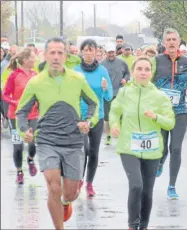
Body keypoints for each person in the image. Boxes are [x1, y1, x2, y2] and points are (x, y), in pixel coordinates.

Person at [16, 37, 99, 228]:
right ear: (45, 55)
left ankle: (65, 202)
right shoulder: (36, 82)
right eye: (52, 52)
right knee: (53, 186)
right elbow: (22, 111)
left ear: (66, 56)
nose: (56, 56)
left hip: (72, 141)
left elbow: (93, 103)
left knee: (70, 192)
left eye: (60, 52)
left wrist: (88, 121)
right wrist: (23, 131)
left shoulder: (77, 79)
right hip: (47, 140)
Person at [109, 56, 175, 230]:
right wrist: (115, 124)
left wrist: (156, 117)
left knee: (147, 191)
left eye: (147, 69)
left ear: (151, 73)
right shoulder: (124, 93)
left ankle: (143, 226)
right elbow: (114, 111)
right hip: (128, 147)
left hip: (152, 149)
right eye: (139, 69)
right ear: (133, 72)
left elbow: (170, 123)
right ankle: (133, 224)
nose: (143, 73)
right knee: (136, 185)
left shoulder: (160, 97)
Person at [152, 28, 187, 199]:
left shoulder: (186, 61)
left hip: (179, 111)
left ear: (179, 42)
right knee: (163, 148)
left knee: (176, 148)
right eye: (168, 40)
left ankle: (171, 186)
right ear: (164, 43)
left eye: (174, 39)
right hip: (161, 113)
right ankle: (160, 162)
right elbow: (147, 83)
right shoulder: (156, 60)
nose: (171, 42)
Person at [74, 39, 113, 197]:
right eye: (86, 50)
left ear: (97, 52)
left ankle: (89, 183)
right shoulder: (76, 71)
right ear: (81, 52)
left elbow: (109, 96)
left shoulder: (102, 70)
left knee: (94, 152)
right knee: (83, 150)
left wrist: (105, 89)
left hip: (97, 116)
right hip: (81, 117)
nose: (89, 53)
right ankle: (79, 180)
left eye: (92, 50)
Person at [2, 48, 39, 184]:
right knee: (18, 146)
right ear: (25, 60)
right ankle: (19, 171)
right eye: (32, 58)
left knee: (32, 143)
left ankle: (30, 159)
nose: (34, 60)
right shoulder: (14, 75)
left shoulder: (36, 75)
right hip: (15, 116)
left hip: (33, 114)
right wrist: (15, 102)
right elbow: (5, 95)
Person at [100, 43, 130, 146]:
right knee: (107, 117)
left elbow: (128, 73)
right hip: (106, 93)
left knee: (121, 114)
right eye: (109, 53)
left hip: (119, 92)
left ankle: (120, 134)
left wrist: (125, 79)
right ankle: (108, 136)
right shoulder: (101, 64)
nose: (111, 54)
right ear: (105, 53)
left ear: (115, 52)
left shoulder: (122, 62)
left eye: (112, 52)